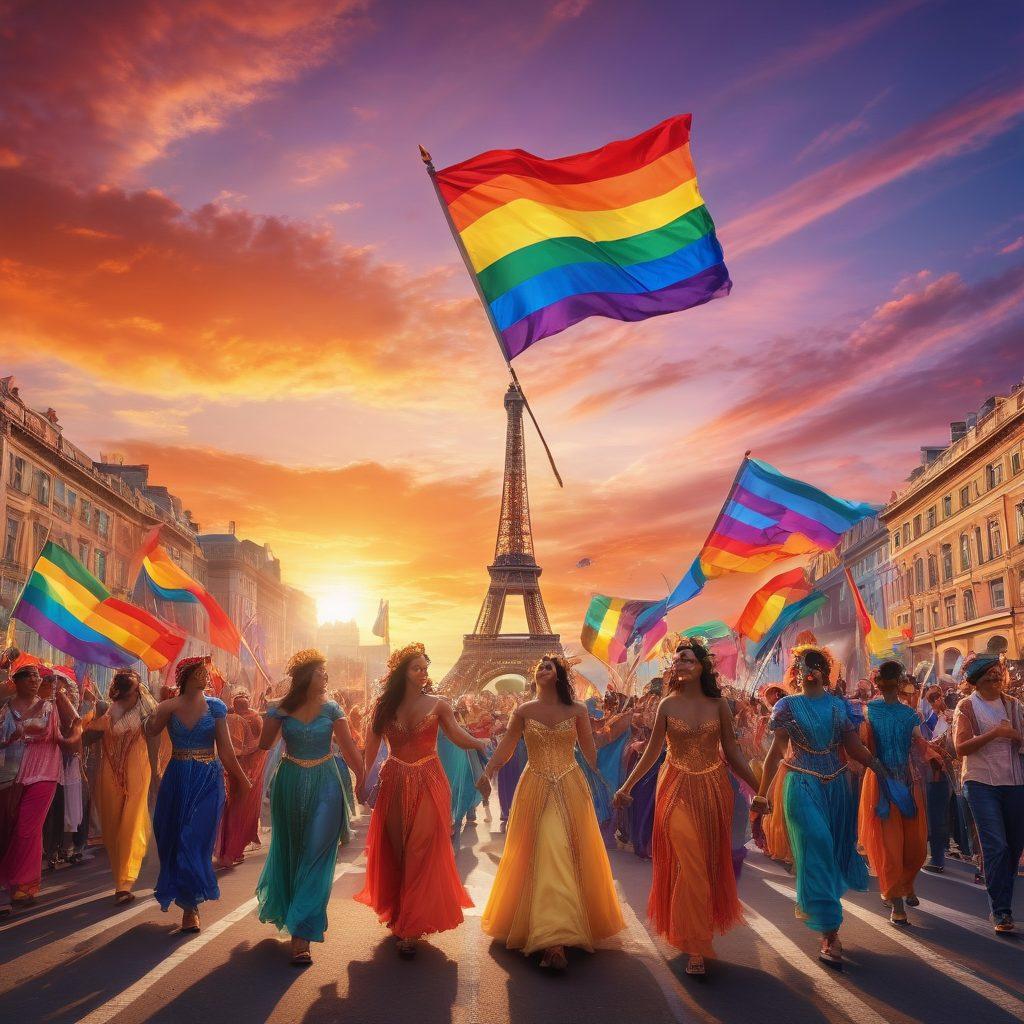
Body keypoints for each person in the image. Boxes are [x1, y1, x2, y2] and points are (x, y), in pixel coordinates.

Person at [614, 639, 758, 977]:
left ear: (702, 666)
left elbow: (733, 752)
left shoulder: (719, 705)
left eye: (688, 659)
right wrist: (627, 786)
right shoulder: (667, 704)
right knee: (690, 859)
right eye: (677, 660)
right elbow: (652, 752)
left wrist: (760, 788)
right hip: (675, 785)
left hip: (713, 789)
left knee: (703, 864)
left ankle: (693, 929)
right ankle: (696, 944)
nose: (680, 664)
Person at [479, 655, 623, 971]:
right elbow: (506, 746)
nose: (543, 669)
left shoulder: (578, 710)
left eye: (549, 666)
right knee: (544, 850)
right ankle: (552, 935)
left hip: (571, 785)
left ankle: (557, 936)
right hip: (535, 785)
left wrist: (606, 777)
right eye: (539, 667)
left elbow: (590, 752)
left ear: (559, 675)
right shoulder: (523, 711)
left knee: (561, 850)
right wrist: (487, 772)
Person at [753, 645, 883, 968]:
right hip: (801, 783)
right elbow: (775, 753)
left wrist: (879, 767)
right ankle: (829, 931)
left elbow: (853, 747)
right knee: (818, 843)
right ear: (796, 673)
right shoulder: (786, 706)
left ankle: (828, 917)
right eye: (803, 665)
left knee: (832, 851)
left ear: (825, 672)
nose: (809, 670)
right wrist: (762, 793)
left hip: (837, 787)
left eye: (815, 665)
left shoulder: (839, 707)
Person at [354, 643, 485, 958]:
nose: (424, 673)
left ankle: (411, 928)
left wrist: (481, 743)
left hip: (429, 779)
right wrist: (362, 778)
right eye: (417, 668)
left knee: (419, 848)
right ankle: (402, 912)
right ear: (403, 672)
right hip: (394, 779)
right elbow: (372, 744)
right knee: (398, 850)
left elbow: (456, 735)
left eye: (425, 668)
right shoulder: (383, 706)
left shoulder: (439, 705)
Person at [257, 649, 363, 964]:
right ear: (306, 676)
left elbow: (350, 751)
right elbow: (264, 744)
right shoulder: (280, 708)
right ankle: (293, 911)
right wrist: (271, 713)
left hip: (326, 784)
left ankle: (302, 933)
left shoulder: (332, 709)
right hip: (288, 782)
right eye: (320, 671)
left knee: (318, 853)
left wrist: (366, 782)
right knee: (292, 850)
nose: (326, 676)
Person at [146, 656, 250, 932]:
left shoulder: (216, 707)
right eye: (200, 672)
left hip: (208, 778)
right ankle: (187, 903)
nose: (206, 676)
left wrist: (242, 779)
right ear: (186, 676)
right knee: (175, 839)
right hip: (177, 778)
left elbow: (226, 751)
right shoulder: (168, 706)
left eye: (206, 672)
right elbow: (150, 730)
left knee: (194, 839)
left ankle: (190, 905)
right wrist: (148, 710)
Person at [952, 655, 1024, 934]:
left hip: (1015, 782)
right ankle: (1001, 910)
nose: (995, 677)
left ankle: (1002, 901)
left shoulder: (1014, 705)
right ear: (977, 680)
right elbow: (961, 748)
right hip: (981, 783)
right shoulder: (967, 705)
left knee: (1014, 847)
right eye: (989, 673)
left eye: (998, 672)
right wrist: (995, 733)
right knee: (997, 846)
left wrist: (1015, 735)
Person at [0, 664, 80, 908]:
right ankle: (9, 879)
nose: (34, 680)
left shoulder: (52, 704)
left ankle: (25, 885)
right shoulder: (6, 707)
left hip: (45, 772)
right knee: (11, 828)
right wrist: (11, 737)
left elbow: (75, 726)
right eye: (28, 676)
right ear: (16, 681)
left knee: (27, 827)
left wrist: (69, 738)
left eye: (37, 676)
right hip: (12, 774)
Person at [857, 661, 928, 925]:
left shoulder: (910, 714)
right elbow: (861, 745)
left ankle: (906, 884)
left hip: (907, 781)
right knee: (890, 845)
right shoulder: (868, 712)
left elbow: (919, 746)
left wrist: (932, 753)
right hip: (880, 782)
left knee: (915, 845)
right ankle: (896, 901)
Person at [90, 669, 156, 902]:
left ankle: (124, 883)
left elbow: (156, 742)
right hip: (109, 774)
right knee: (112, 826)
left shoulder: (147, 712)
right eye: (127, 692)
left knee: (131, 823)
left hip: (138, 771)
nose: (133, 696)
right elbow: (84, 737)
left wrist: (157, 775)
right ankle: (121, 875)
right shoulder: (106, 711)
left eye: (135, 691)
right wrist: (87, 721)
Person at [217, 688, 268, 866]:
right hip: (248, 769)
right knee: (242, 806)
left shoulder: (232, 718)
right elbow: (262, 744)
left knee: (233, 805)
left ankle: (230, 847)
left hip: (234, 766)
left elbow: (233, 747)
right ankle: (234, 847)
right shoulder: (252, 718)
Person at [920, 685, 955, 873]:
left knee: (937, 815)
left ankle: (938, 857)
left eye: (939, 696)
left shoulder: (952, 716)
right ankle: (938, 853)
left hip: (940, 771)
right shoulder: (929, 719)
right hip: (931, 770)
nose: (938, 700)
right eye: (934, 698)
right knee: (936, 814)